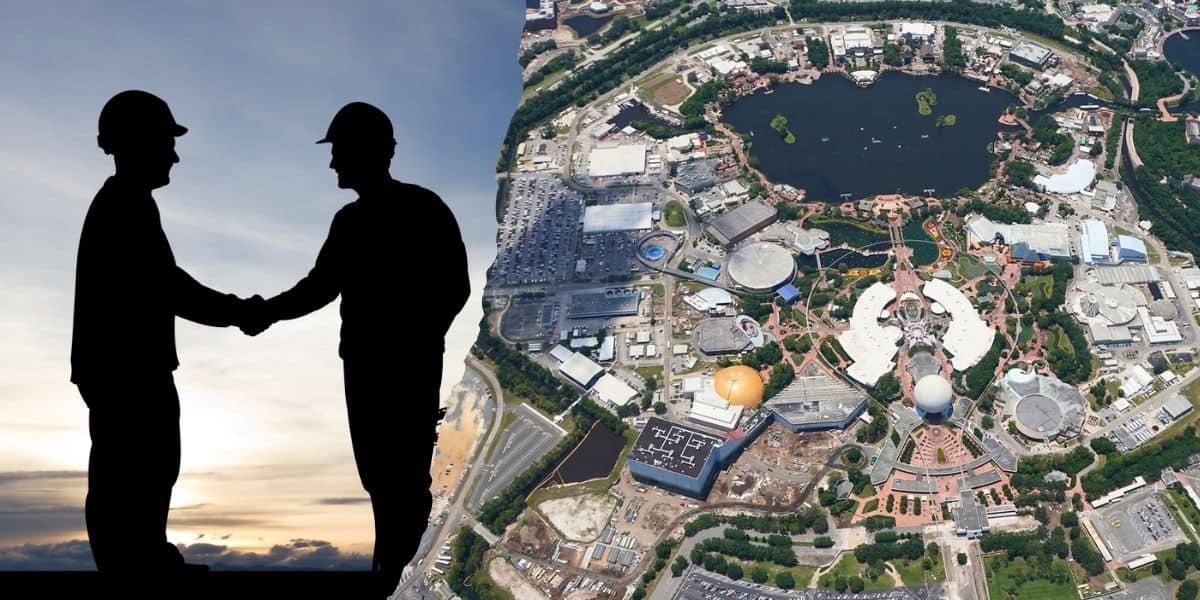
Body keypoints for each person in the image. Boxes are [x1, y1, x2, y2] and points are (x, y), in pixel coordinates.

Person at [241, 101, 470, 594]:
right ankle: (391, 573)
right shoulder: (414, 209)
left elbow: (318, 289)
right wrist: (424, 339)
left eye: (339, 151)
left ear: (368, 151)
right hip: (390, 368)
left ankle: (394, 579)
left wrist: (261, 312)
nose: (332, 163)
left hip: (384, 371)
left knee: (398, 483)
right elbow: (452, 289)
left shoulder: (365, 219)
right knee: (390, 481)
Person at [71, 90, 262, 575]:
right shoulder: (123, 207)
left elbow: (165, 285)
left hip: (126, 372)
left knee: (144, 473)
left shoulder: (126, 204)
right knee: (136, 474)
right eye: (165, 141)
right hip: (129, 374)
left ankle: (144, 558)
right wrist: (239, 311)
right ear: (136, 142)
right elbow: (170, 288)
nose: (174, 153)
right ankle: (138, 567)